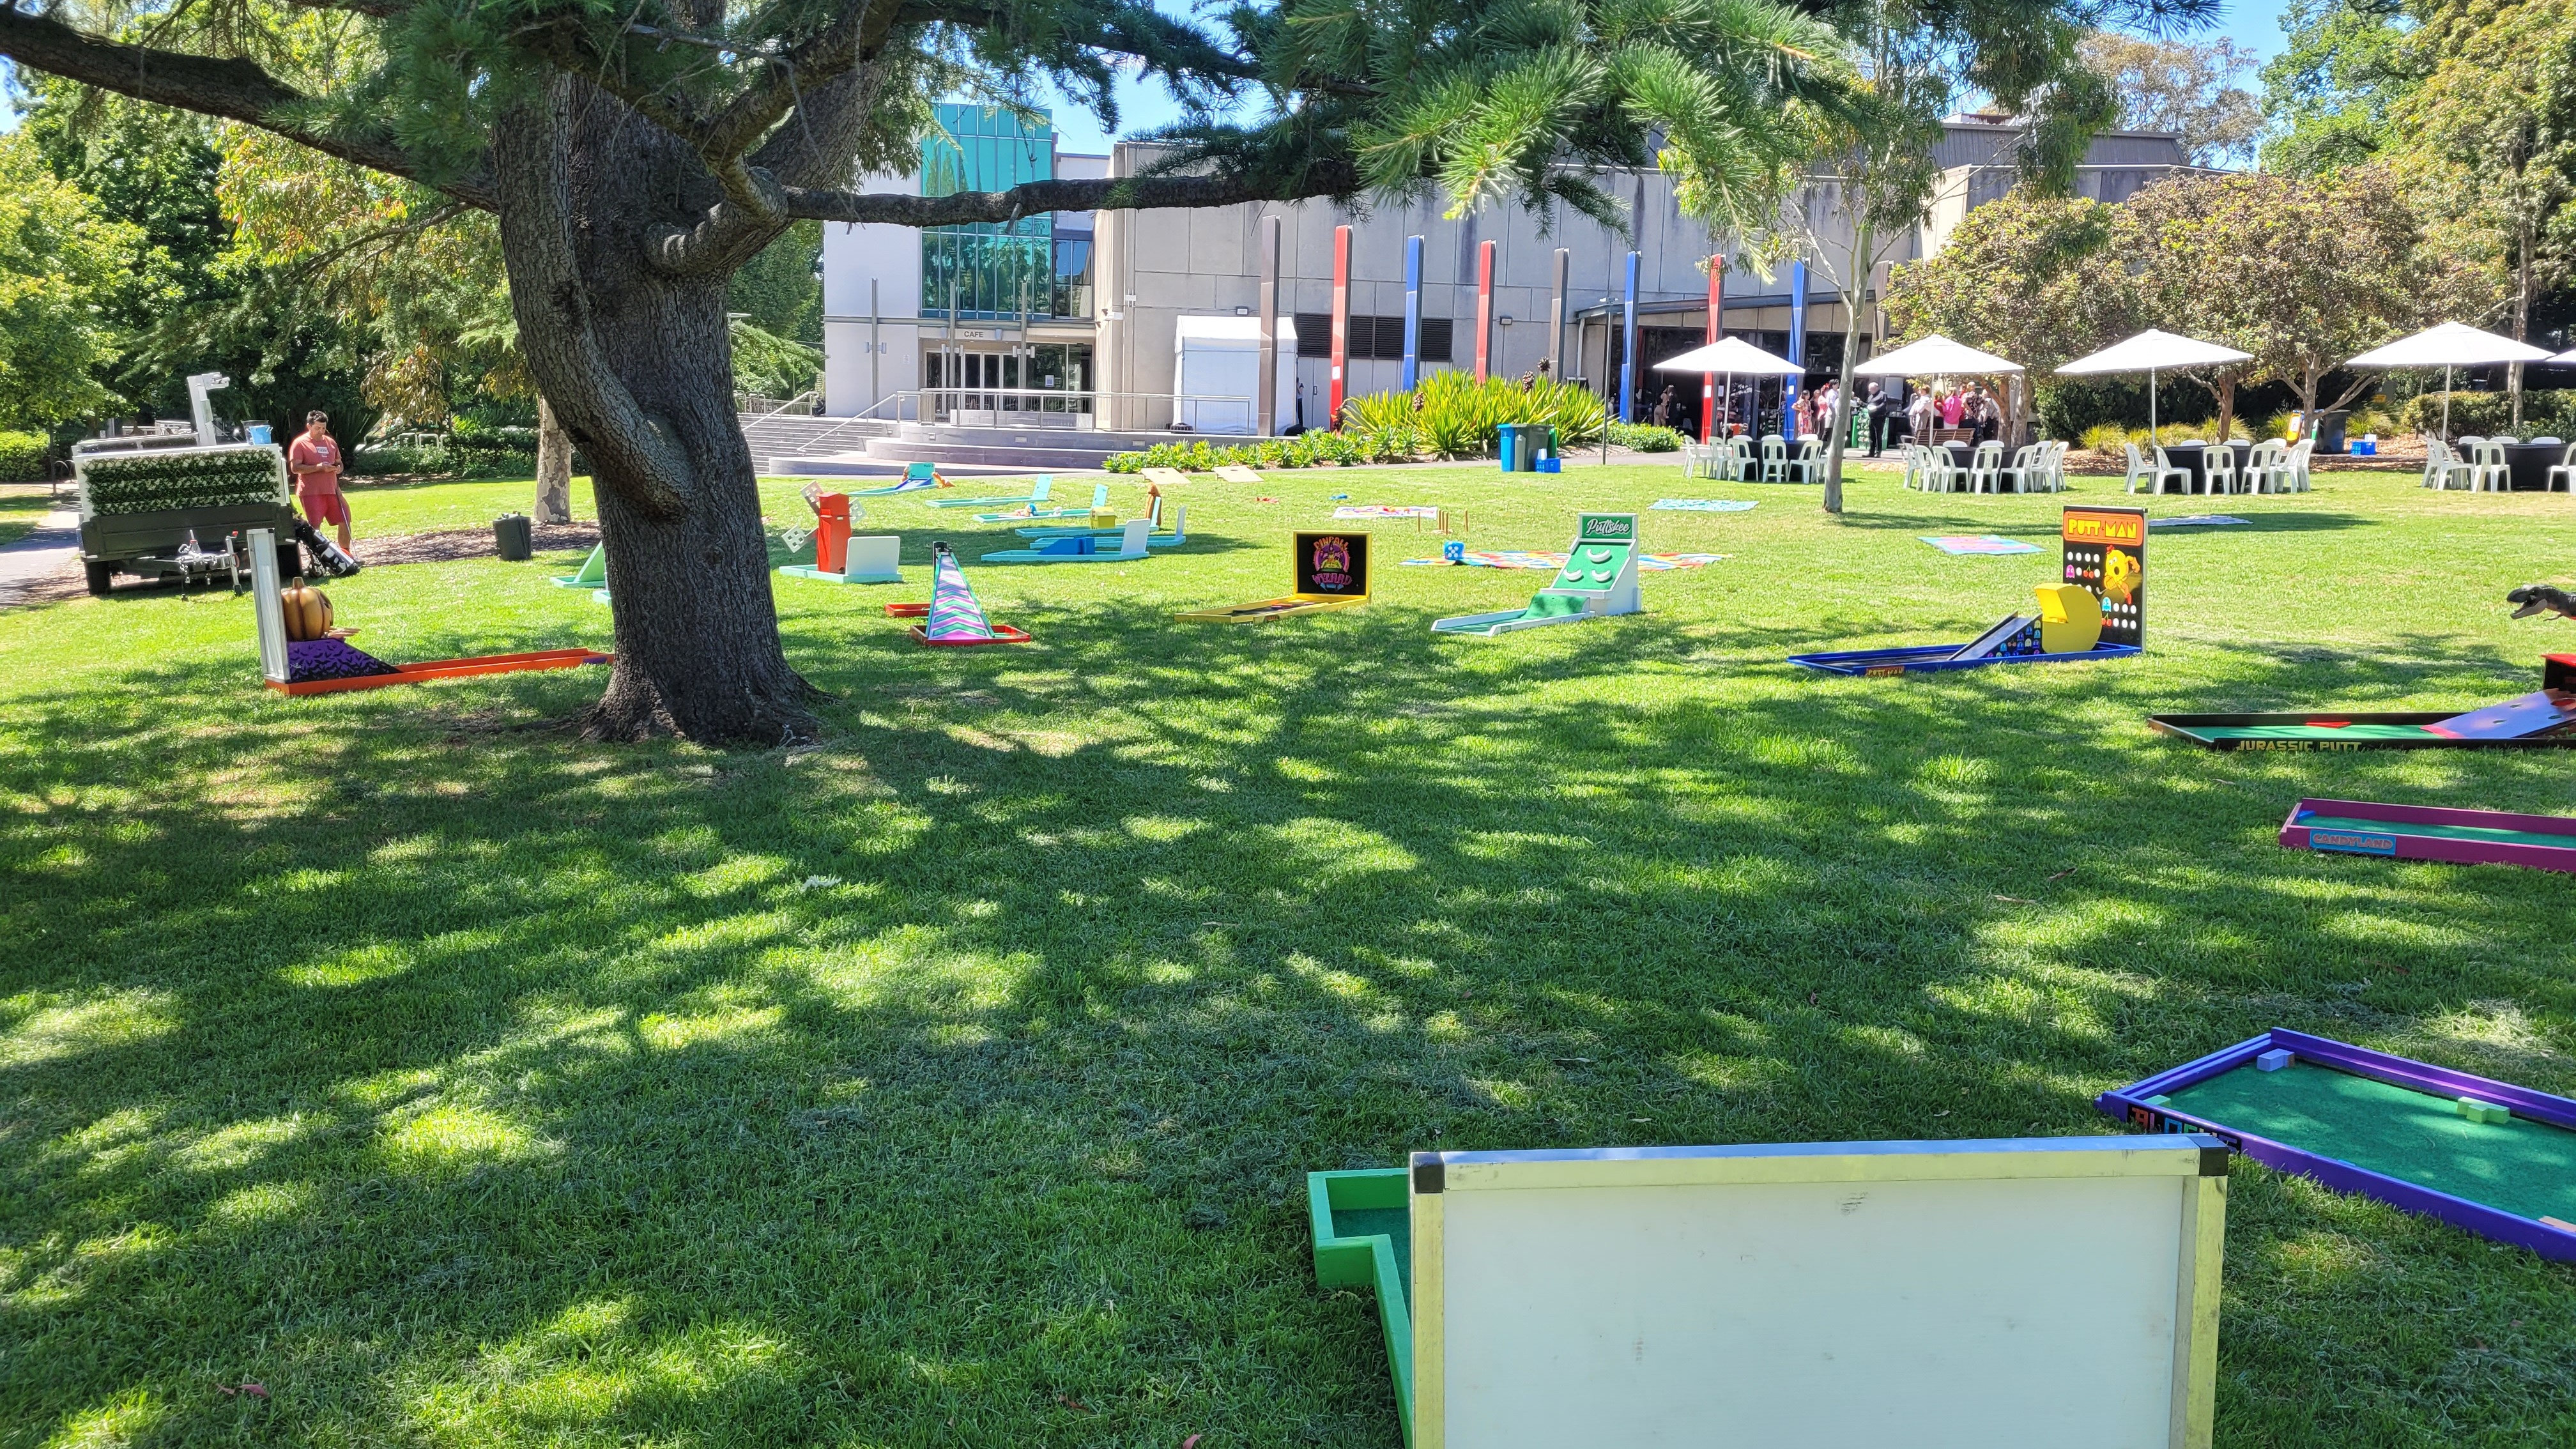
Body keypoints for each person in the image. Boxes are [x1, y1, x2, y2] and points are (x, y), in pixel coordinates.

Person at [288, 410, 352, 555]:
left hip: (333, 490)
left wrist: (338, 468)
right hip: (311, 492)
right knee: (315, 527)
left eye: (324, 428)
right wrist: (318, 468)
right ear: (309, 426)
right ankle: (317, 558)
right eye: (318, 428)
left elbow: (339, 462)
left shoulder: (330, 442)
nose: (321, 431)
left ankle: (345, 554)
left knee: (345, 518)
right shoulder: (300, 443)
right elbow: (295, 468)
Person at [1865, 383, 1894, 457]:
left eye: (1871, 389)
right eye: (1870, 389)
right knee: (1871, 436)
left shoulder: (1883, 395)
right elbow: (1868, 405)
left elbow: (1884, 405)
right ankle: (1871, 452)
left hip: (1879, 417)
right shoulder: (1870, 397)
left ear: (1876, 388)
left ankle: (1878, 452)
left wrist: (1876, 408)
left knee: (1878, 435)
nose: (1870, 391)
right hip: (1872, 418)